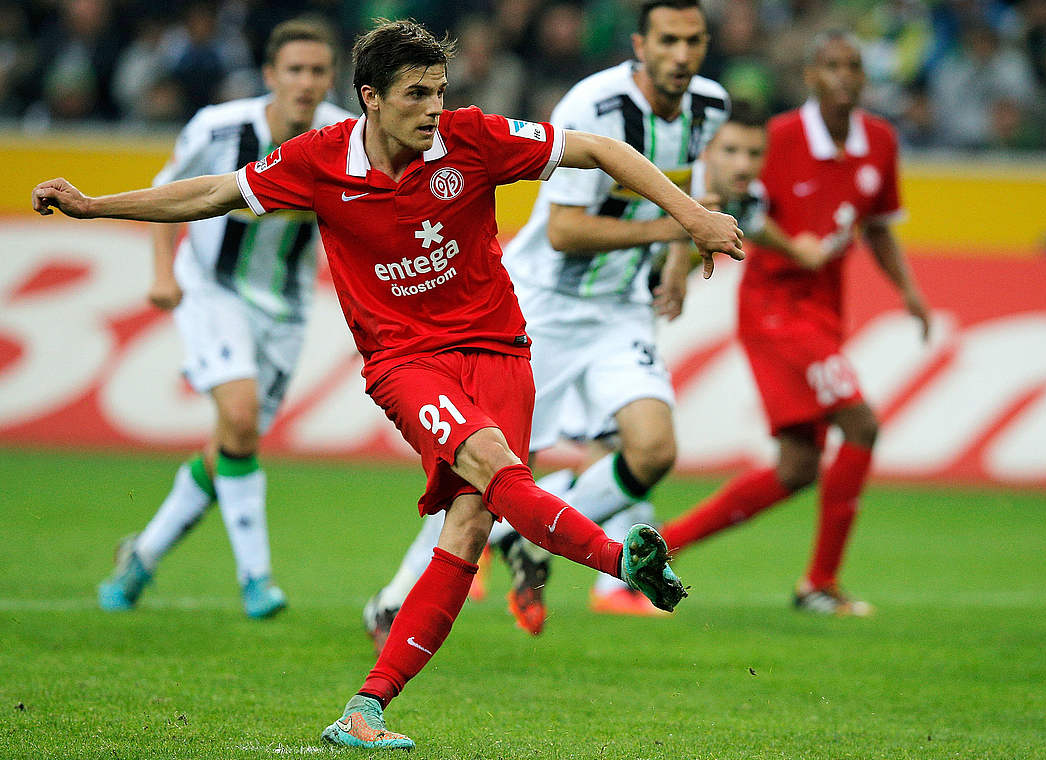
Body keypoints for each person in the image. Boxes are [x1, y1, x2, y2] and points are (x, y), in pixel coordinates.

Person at [32, 19, 743, 749]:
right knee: (496, 470)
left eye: (439, 91)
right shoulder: (318, 160)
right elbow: (214, 192)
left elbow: (595, 148)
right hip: (407, 361)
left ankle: (366, 709)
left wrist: (691, 214)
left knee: (470, 525)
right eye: (415, 94)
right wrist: (95, 205)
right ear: (371, 98)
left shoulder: (471, 138)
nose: (433, 108)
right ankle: (618, 558)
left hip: (500, 348)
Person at [363, 0, 732, 641]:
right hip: (544, 308)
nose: (682, 55)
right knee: (485, 465)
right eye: (668, 40)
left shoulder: (710, 106)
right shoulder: (595, 105)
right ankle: (396, 599)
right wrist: (675, 225)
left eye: (694, 40)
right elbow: (562, 231)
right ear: (641, 44)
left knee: (653, 449)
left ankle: (521, 538)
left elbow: (686, 183)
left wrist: (677, 255)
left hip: (620, 310)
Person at [659, 31, 932, 616]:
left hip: (825, 311)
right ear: (809, 75)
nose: (843, 76)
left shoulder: (879, 141)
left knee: (798, 466)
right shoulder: (775, 138)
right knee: (861, 423)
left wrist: (908, 291)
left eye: (853, 66)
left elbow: (879, 225)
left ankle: (661, 548)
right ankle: (820, 585)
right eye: (831, 65)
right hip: (774, 310)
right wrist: (684, 266)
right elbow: (724, 201)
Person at [96, 18, 354, 619]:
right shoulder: (218, 128)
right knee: (238, 418)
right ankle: (256, 579)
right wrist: (163, 274)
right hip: (212, 288)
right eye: (295, 70)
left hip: (285, 310)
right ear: (270, 76)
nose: (306, 82)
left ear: (331, 78)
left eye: (318, 71)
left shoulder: (346, 137)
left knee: (232, 444)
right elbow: (170, 195)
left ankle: (143, 555)